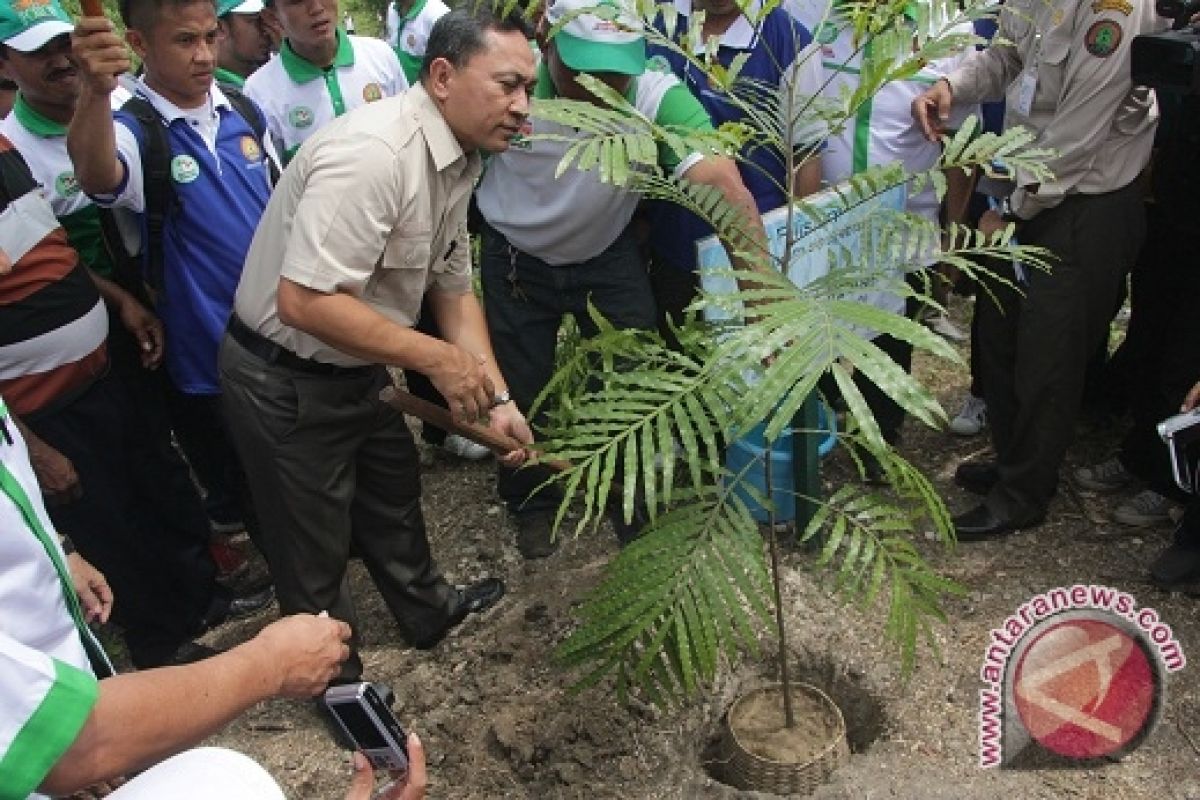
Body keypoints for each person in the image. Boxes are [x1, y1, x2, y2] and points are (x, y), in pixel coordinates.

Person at [219, 8, 533, 683]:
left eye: (528, 89)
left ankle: (429, 611)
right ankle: (338, 684)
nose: (522, 107)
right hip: (285, 380)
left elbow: (452, 287)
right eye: (507, 85)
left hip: (360, 366)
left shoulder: (458, 158)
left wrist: (495, 396)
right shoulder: (375, 156)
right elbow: (303, 301)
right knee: (312, 546)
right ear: (443, 75)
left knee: (392, 493)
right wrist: (434, 360)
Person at [0, 367, 426, 798]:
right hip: (50, 741)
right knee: (227, 782)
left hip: (42, 739)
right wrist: (270, 663)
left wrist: (55, 546)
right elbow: (75, 742)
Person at [475, 0, 768, 557]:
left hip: (605, 252)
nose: (600, 87)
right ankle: (531, 499)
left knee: (634, 382)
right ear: (546, 36)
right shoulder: (509, 90)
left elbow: (725, 187)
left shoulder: (653, 94)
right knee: (520, 385)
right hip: (517, 256)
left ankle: (631, 497)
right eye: (584, 68)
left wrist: (763, 304)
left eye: (615, 70)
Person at [0, 122, 271, 668]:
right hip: (40, 406)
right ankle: (160, 646)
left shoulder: (4, 150)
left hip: (100, 369)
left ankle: (202, 601)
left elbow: (46, 249)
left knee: (157, 484)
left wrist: (117, 300)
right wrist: (30, 447)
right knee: (113, 525)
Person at [912, 0, 1163, 540]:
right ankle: (1013, 462)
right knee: (1001, 337)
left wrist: (1006, 210)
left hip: (1081, 203)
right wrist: (953, 87)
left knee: (1048, 358)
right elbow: (1007, 54)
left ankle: (1023, 495)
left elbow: (1078, 134)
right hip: (1027, 184)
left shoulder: (1113, 10)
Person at [69, 0, 274, 545]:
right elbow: (97, 175)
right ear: (139, 43)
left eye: (210, 37)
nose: (205, 55)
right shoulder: (136, 131)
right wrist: (93, 90)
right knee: (257, 487)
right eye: (185, 41)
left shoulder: (243, 112)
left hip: (285, 334)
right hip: (213, 352)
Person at [793, 0, 976, 480]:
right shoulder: (815, 15)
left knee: (890, 337)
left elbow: (963, 153)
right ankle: (823, 416)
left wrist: (952, 245)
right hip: (825, 219)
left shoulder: (948, 25)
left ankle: (879, 436)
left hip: (904, 226)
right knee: (820, 328)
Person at [645, 0, 824, 346]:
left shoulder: (789, 43)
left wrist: (800, 255)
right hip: (674, 244)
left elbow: (806, 155)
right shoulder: (658, 26)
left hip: (758, 253)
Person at [243, 0, 406, 165]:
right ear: (272, 17)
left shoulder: (381, 56)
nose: (317, 8)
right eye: (297, 1)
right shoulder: (258, 92)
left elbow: (409, 137)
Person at [384, 0, 450, 83]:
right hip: (395, 89)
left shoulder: (437, 14)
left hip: (423, 93)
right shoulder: (393, 9)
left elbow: (448, 67)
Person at [216, 0, 272, 87]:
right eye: (255, 21)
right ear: (220, 28)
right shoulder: (206, 92)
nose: (266, 30)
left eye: (268, 20)